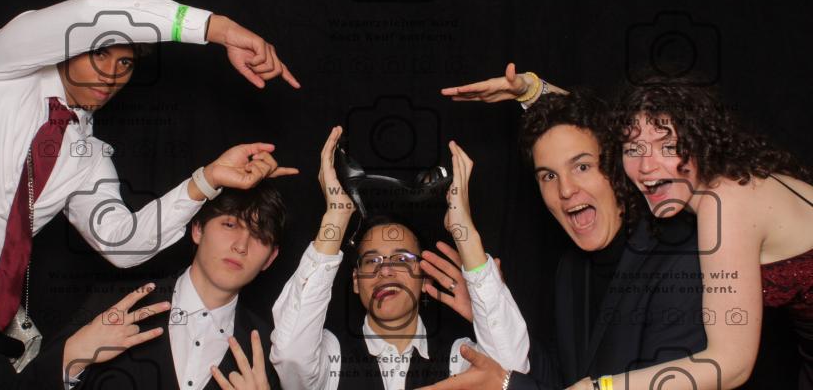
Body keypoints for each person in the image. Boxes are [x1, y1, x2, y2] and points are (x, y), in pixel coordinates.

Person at [0, 0, 299, 386]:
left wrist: (207, 180)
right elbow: (90, 13)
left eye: (125, 62)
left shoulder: (85, 154)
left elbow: (121, 243)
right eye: (99, 53)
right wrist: (218, 29)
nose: (111, 74)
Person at [441, 65, 813, 389]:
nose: (647, 166)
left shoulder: (721, 209)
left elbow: (731, 365)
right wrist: (533, 91)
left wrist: (596, 388)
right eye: (633, 150)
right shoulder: (572, 271)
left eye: (668, 145)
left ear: (700, 139)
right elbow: (608, 129)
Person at [420, 90, 707, 390]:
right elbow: (557, 379)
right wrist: (492, 310)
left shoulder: (680, 261)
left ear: (615, 168)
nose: (566, 190)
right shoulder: (572, 269)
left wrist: (507, 386)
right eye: (548, 176)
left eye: (582, 167)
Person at [269, 126, 530, 389]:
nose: (385, 271)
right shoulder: (330, 359)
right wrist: (336, 217)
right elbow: (291, 357)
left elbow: (509, 373)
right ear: (356, 280)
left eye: (402, 259)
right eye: (372, 261)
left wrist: (464, 231)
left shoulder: (458, 359)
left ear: (424, 278)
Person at [31, 182, 286, 390]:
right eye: (230, 225)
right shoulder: (118, 303)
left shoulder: (272, 350)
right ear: (198, 229)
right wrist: (72, 357)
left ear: (270, 258)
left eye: (259, 236)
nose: (241, 246)